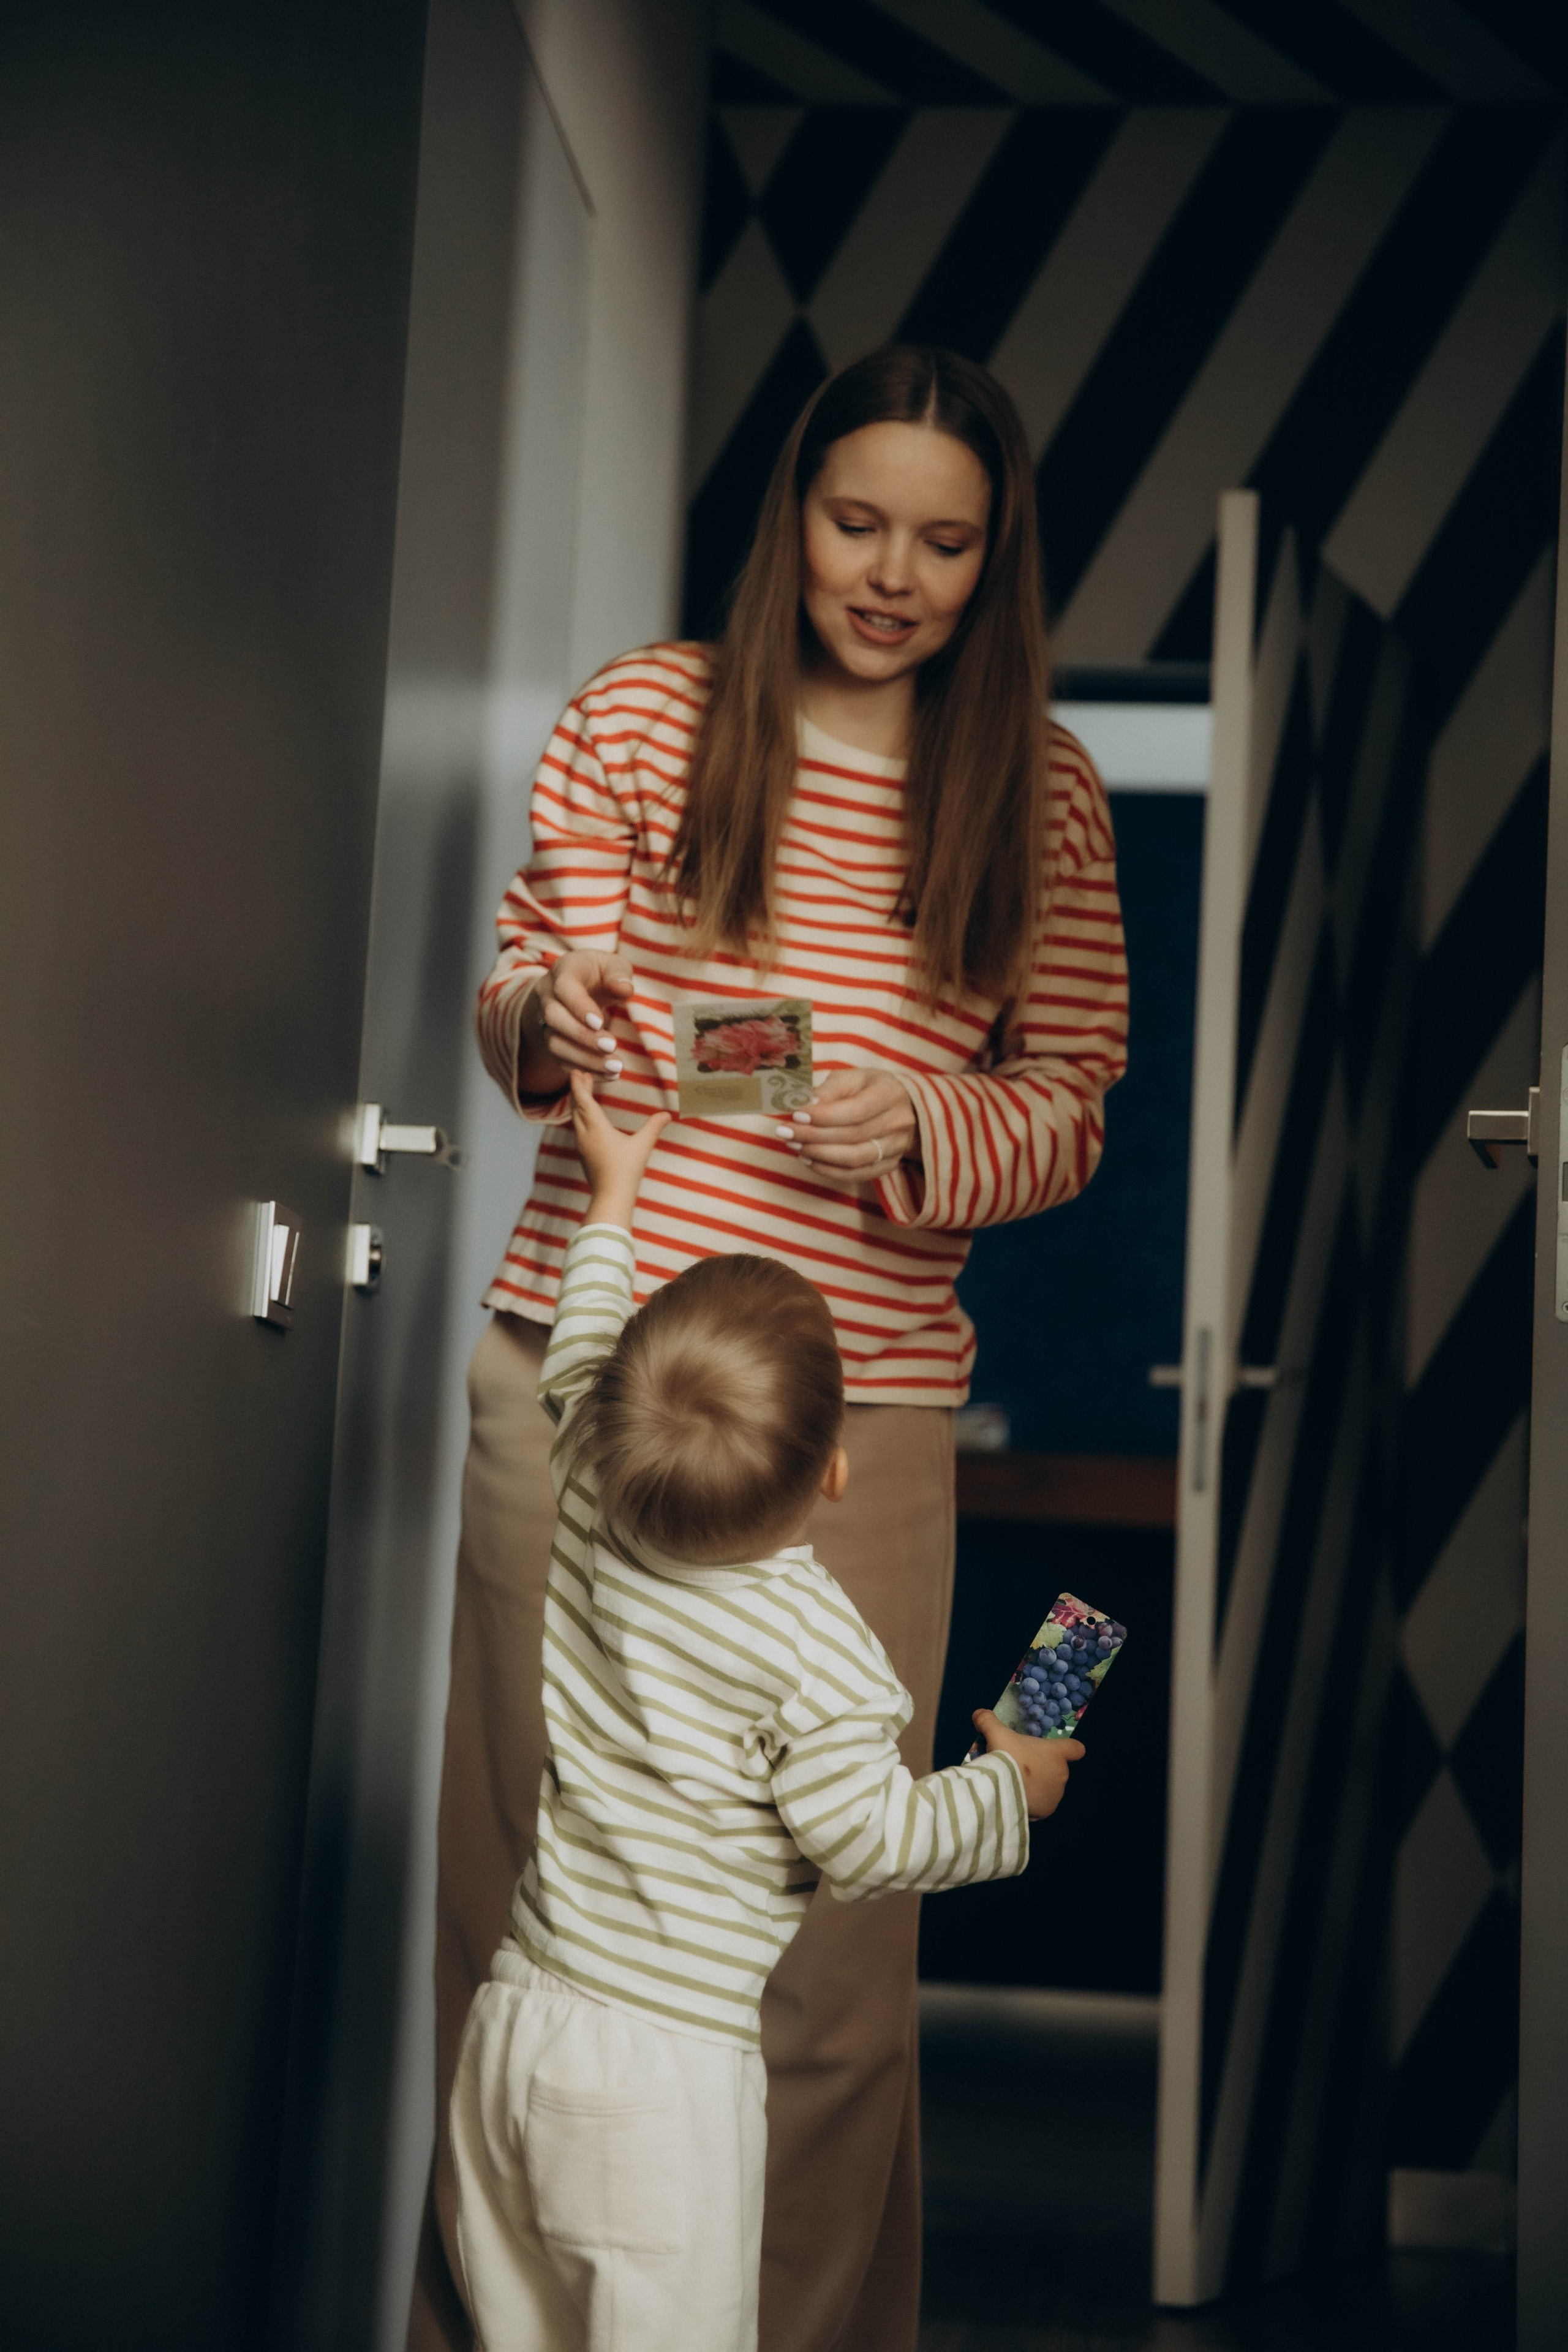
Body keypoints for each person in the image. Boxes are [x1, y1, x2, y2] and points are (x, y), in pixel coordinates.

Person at [410, 344, 1128, 2352]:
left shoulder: (1042, 793)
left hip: (858, 1422)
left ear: (1000, 560)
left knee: (823, 1964)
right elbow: (514, 997)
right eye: (855, 523)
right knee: (533, 1911)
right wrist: (548, 1015)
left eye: (947, 541)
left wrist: (930, 1129)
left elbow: (1074, 1105)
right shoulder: (645, 716)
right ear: (792, 516)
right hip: (578, 1373)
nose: (893, 574)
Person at [448, 1072, 1081, 2351]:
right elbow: (871, 1840)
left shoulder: (584, 1484)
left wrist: (613, 1198)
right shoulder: (819, 1654)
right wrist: (1009, 1788)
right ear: (833, 1472)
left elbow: (578, 1347)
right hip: (663, 2088)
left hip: (517, 2026)